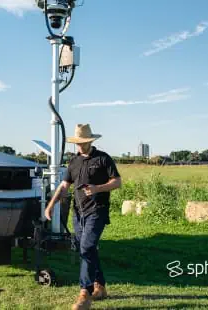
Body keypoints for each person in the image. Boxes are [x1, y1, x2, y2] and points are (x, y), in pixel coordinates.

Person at [45, 124, 122, 310]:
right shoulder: (73, 162)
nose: (80, 146)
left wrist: (97, 188)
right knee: (87, 249)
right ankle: (100, 286)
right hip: (78, 213)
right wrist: (51, 205)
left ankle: (84, 294)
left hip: (97, 211)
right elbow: (64, 186)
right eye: (77, 143)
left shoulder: (103, 159)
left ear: (90, 141)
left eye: (83, 142)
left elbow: (117, 182)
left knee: (86, 247)